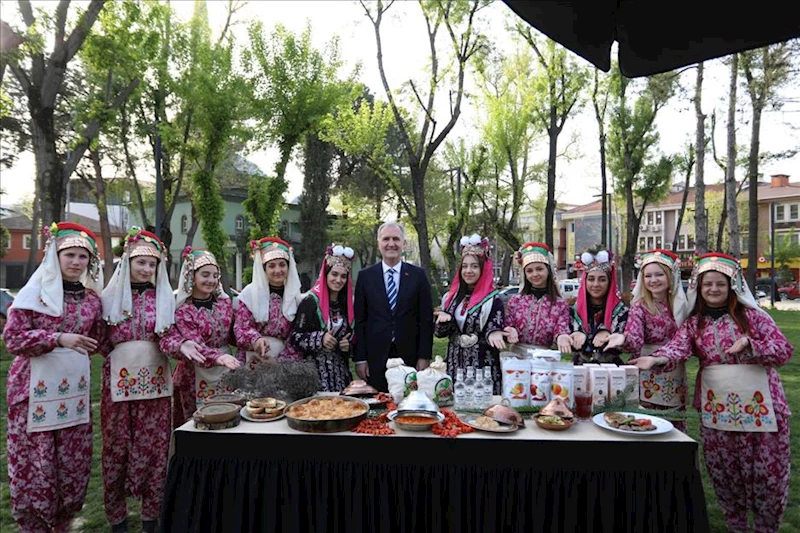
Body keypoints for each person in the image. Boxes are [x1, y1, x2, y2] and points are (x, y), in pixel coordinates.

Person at [632, 252, 792, 533]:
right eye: (708, 284)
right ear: (699, 287)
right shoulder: (695, 323)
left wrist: (751, 345)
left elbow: (783, 351)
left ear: (732, 286)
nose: (714, 289)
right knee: (724, 472)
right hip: (717, 407)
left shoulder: (753, 317)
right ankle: (736, 527)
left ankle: (766, 528)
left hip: (762, 407)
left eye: (720, 283)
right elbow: (678, 347)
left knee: (767, 475)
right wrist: (656, 359)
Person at [3, 221, 105, 533]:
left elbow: (100, 338)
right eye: (69, 255)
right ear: (55, 257)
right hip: (32, 392)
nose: (76, 262)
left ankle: (63, 522)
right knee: (38, 462)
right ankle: (34, 524)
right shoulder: (35, 294)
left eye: (83, 256)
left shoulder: (91, 299)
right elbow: (13, 339)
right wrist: (57, 338)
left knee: (72, 462)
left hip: (74, 391)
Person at [99, 228, 175, 533]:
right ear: (128, 261)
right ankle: (117, 518)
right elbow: (100, 340)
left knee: (156, 448)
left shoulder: (164, 299)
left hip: (156, 384)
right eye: (140, 262)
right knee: (116, 448)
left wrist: (181, 347)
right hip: (118, 384)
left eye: (152, 264)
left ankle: (150, 517)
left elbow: (169, 336)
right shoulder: (108, 298)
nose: (146, 269)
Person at [605, 249, 690, 431]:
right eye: (648, 276)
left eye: (659, 274)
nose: (653, 280)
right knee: (643, 423)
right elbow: (635, 338)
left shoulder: (683, 306)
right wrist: (623, 338)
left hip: (674, 373)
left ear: (670, 276)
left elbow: (685, 342)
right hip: (644, 372)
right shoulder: (640, 306)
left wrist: (661, 357)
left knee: (672, 426)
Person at [159, 247, 240, 428]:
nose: (211, 280)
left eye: (215, 275)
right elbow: (196, 345)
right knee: (198, 424)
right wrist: (218, 357)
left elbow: (234, 334)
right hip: (193, 375)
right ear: (191, 276)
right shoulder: (183, 310)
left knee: (228, 419)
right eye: (205, 275)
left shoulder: (224, 304)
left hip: (227, 370)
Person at [354, 222, 434, 392]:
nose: (391, 244)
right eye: (386, 239)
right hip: (376, 358)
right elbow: (360, 321)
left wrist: (424, 356)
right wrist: (360, 359)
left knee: (409, 403)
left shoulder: (418, 276)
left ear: (403, 243)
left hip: (410, 357)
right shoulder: (365, 277)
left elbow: (426, 319)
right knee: (378, 403)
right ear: (379, 243)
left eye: (396, 239)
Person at [434, 234, 510, 394]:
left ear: (482, 269)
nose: (468, 271)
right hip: (455, 364)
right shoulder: (450, 298)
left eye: (474, 266)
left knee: (482, 405)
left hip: (483, 365)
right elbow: (440, 334)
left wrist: (494, 332)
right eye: (465, 266)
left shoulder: (492, 299)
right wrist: (443, 321)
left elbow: (495, 325)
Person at [291, 244, 355, 391]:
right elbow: (295, 338)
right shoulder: (310, 302)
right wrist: (320, 338)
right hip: (315, 374)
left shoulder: (347, 305)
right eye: (334, 274)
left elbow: (352, 336)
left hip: (341, 374)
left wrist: (348, 344)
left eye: (343, 276)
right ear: (326, 274)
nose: (338, 280)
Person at [234, 237, 303, 366]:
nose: (278, 270)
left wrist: (279, 362)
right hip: (252, 357)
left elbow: (296, 335)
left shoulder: (294, 297)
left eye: (282, 265)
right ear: (264, 269)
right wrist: (256, 340)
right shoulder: (250, 294)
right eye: (271, 266)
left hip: (282, 361)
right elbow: (241, 328)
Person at [504, 242, 573, 354]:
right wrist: (509, 330)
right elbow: (508, 323)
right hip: (517, 355)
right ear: (525, 275)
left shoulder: (560, 304)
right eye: (529, 271)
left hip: (545, 356)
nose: (535, 274)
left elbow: (562, 328)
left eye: (539, 269)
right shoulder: (515, 301)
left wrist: (562, 336)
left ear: (548, 270)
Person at [569, 248, 628, 364]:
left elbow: (626, 342)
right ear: (585, 281)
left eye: (602, 280)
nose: (596, 284)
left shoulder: (622, 311)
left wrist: (607, 333)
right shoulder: (574, 310)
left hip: (612, 368)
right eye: (591, 279)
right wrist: (577, 334)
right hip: (579, 367)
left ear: (609, 282)